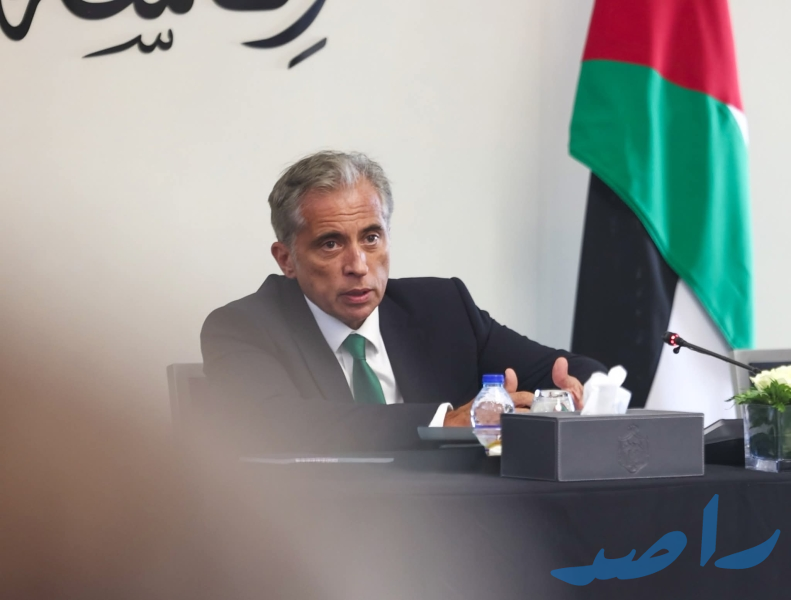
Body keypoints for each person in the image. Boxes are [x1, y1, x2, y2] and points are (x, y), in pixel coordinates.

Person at [201, 151, 605, 452]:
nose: (358, 265)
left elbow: (575, 372)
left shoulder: (443, 308)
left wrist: (565, 398)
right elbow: (277, 425)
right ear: (286, 259)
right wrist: (443, 421)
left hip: (461, 522)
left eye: (371, 238)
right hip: (319, 530)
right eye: (330, 244)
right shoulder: (243, 327)